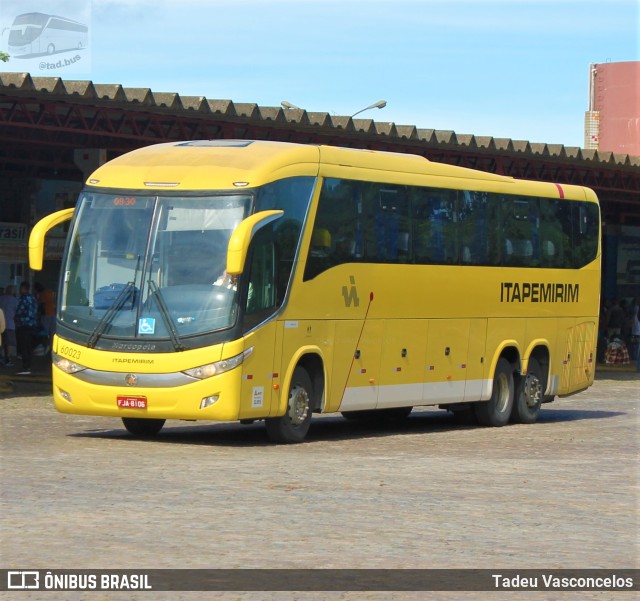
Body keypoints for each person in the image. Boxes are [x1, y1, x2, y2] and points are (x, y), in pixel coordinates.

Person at [14, 281, 40, 376]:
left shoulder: (23, 298)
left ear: (23, 288)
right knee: (29, 346)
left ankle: (26, 367)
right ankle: (28, 365)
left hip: (23, 325)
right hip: (32, 325)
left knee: (23, 346)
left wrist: (16, 319)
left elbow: (19, 311)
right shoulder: (33, 298)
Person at [0, 284, 18, 366]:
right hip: (10, 324)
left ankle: (1, 357)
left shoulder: (1, 299)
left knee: (2, 342)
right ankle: (8, 359)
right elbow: (17, 312)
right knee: (9, 343)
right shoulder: (15, 300)